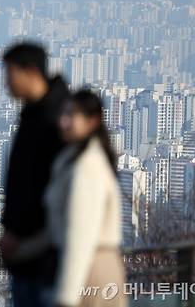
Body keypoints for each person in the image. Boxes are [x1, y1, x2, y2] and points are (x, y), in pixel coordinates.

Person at [0, 43, 69, 307]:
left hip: (45, 259)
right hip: (25, 257)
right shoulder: (33, 114)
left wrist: (25, 237)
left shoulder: (55, 120)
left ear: (30, 72)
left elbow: (52, 189)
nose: (6, 83)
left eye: (10, 74)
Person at [44, 90, 126, 307]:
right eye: (63, 114)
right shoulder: (73, 160)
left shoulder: (86, 167)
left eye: (71, 115)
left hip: (90, 270)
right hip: (90, 267)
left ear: (92, 121)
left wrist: (66, 299)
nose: (63, 121)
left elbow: (79, 239)